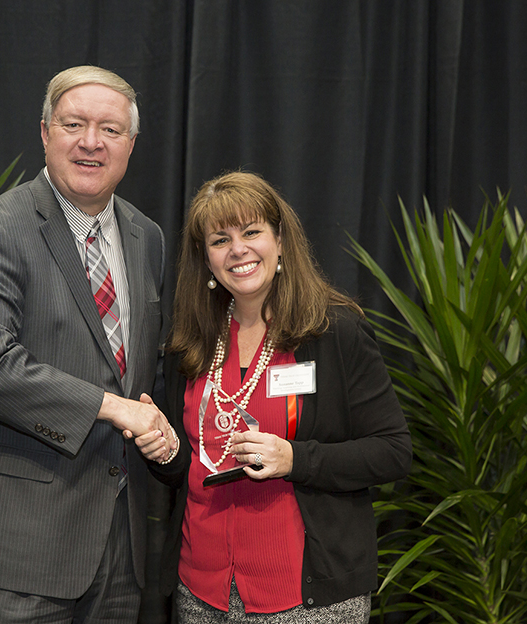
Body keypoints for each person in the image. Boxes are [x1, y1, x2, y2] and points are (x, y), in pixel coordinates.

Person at [0, 65, 177, 623]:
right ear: (45, 134)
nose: (91, 142)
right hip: (13, 556)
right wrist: (112, 408)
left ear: (132, 145)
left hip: (120, 556)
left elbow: (144, 373)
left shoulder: (147, 237)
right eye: (74, 124)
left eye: (110, 130)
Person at [141, 171, 412, 623]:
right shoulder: (189, 343)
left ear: (280, 240)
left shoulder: (334, 332)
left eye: (252, 233)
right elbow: (189, 467)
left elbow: (393, 453)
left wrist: (295, 460)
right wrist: (162, 450)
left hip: (305, 598)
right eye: (220, 240)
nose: (238, 250)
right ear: (206, 259)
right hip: (200, 592)